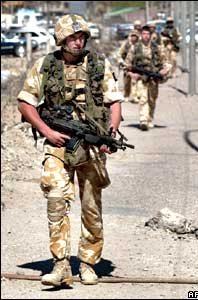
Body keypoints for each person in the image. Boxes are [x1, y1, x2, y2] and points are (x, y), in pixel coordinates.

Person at [17, 14, 123, 287]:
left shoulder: (99, 65)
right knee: (55, 198)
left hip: (90, 148)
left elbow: (114, 103)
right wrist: (47, 132)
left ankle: (88, 263)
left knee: (91, 207)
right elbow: (25, 103)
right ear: (61, 40)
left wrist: (109, 133)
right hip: (57, 145)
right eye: (72, 38)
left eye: (81, 37)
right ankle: (61, 264)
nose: (78, 42)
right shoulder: (45, 66)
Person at [125, 25, 172, 130]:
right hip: (142, 78)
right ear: (141, 35)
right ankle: (143, 120)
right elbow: (127, 65)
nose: (145, 36)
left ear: (151, 35)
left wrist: (164, 70)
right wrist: (133, 74)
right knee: (143, 99)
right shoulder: (134, 48)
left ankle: (150, 119)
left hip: (154, 79)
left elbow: (167, 62)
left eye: (147, 34)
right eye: (144, 34)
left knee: (152, 100)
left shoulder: (157, 48)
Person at [117, 30, 139, 102]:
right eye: (132, 36)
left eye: (135, 36)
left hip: (136, 66)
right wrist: (120, 61)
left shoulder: (139, 45)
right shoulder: (126, 44)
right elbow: (119, 53)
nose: (133, 38)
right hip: (126, 65)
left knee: (134, 81)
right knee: (126, 82)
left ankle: (135, 96)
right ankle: (126, 95)